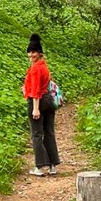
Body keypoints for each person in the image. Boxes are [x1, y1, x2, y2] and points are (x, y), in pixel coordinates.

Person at [22, 33, 60, 177]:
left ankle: (39, 167)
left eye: (34, 52)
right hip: (49, 100)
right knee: (49, 132)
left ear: (39, 53)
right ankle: (52, 165)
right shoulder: (43, 66)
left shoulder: (36, 69)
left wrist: (36, 109)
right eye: (29, 52)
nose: (31, 55)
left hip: (38, 101)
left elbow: (36, 89)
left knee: (37, 134)